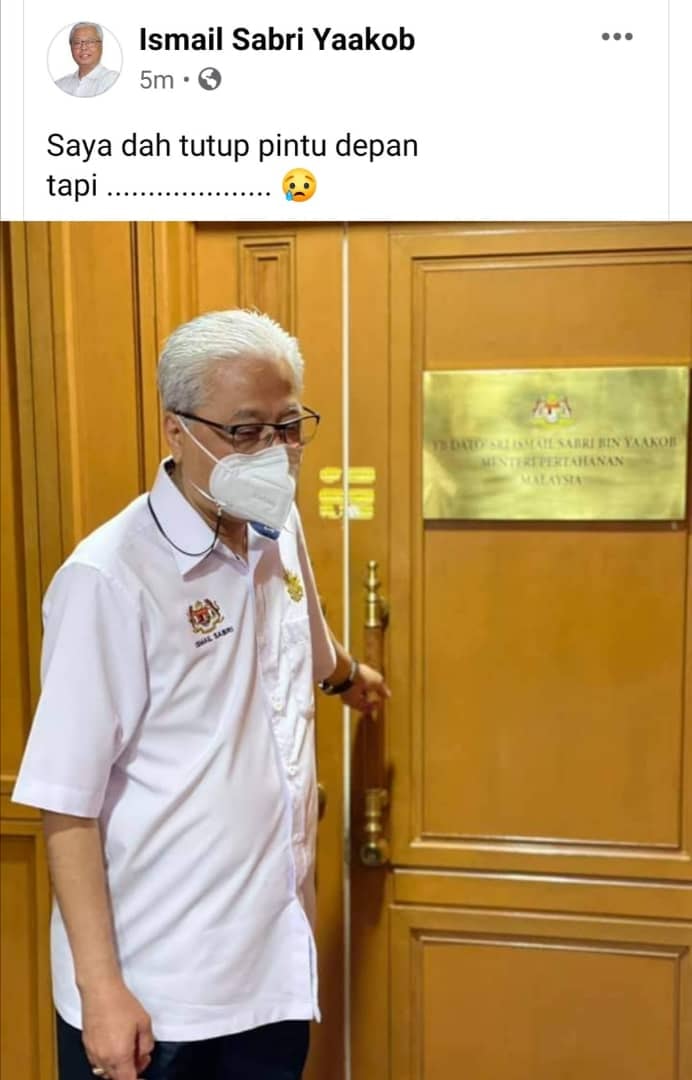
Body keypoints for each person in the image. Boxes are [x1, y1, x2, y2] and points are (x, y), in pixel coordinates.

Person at [12, 310, 389, 1080]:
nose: (274, 452)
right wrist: (102, 991)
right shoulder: (108, 580)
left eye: (289, 427)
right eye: (245, 431)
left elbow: (302, 634)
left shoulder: (276, 527)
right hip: (160, 996)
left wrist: (348, 678)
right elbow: (66, 804)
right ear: (176, 430)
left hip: (272, 975)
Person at [54, 23, 119, 98]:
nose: (83, 47)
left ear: (101, 45)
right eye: (77, 43)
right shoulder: (60, 85)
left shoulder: (112, 80)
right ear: (71, 47)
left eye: (90, 42)